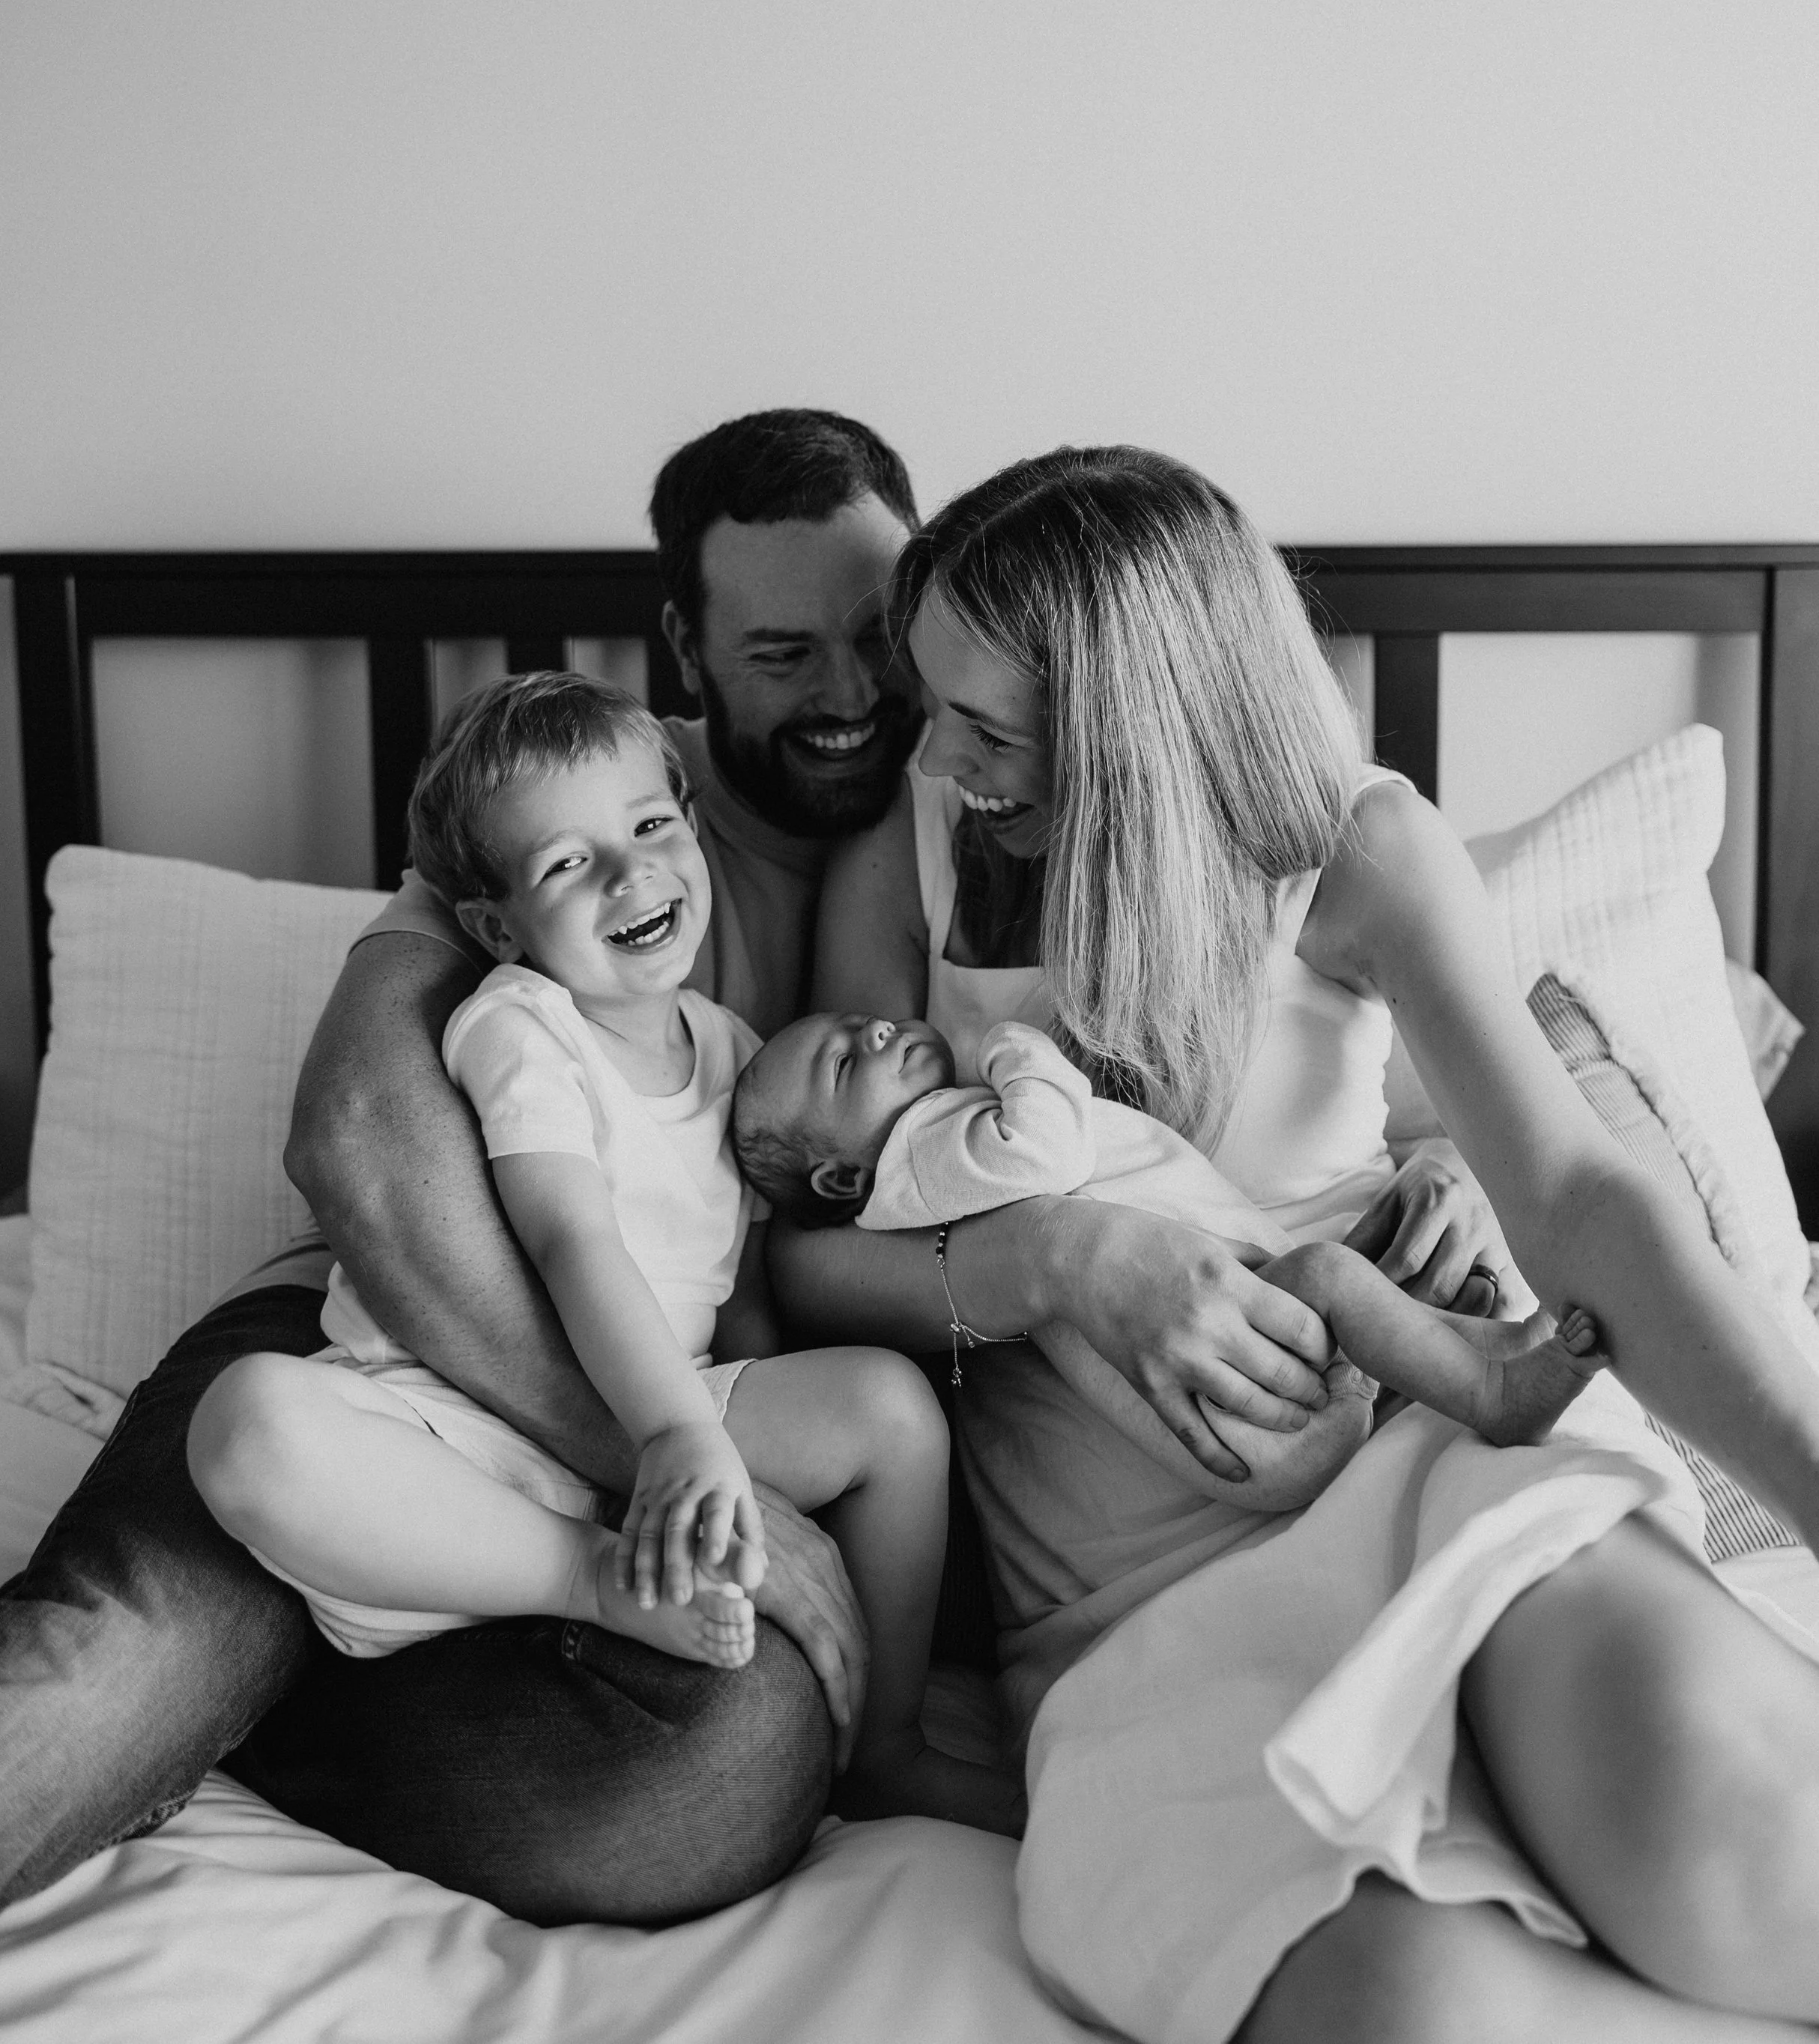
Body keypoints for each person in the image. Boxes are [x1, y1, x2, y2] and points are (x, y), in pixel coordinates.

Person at [776, 445, 1819, 2043]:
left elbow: (1586, 1205)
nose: (940, 756)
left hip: (1420, 1469)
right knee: (1408, 2009)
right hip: (1129, 1621)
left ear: (1138, 715)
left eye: (990, 722)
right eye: (937, 706)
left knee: (1709, 1805)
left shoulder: (1354, 854)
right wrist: (1057, 1258)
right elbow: (799, 1263)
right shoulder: (903, 868)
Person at [0, 407, 948, 1959]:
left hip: (633, 1434)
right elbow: (357, 1143)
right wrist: (667, 1453)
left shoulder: (993, 804)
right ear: (683, 646)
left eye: (876, 634)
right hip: (385, 1349)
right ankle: (161, 1686)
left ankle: (252, 1691)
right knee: (94, 1687)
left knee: (727, 1767)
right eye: (777, 651)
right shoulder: (556, 787)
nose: (846, 691)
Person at [190, 673, 1017, 1832]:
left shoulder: (732, 1053)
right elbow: (572, 1237)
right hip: (457, 1429)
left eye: (649, 826)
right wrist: (676, 1434)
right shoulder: (524, 1025)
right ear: (496, 926)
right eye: (568, 864)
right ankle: (585, 1578)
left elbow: (738, 1299)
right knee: (247, 1422)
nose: (633, 874)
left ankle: (885, 1741)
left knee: (887, 1410)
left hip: (648, 1428)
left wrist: (751, 1458)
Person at [732, 1009, 1604, 1495]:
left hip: (1244, 1365)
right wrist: (1012, 1048)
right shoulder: (926, 1151)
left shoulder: (927, 1163)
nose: (876, 1035)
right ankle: (1493, 1392)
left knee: (1344, 1281)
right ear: (842, 1183)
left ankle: (1478, 1359)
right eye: (847, 1066)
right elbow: (1049, 1148)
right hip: (1239, 1389)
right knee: (1335, 1279)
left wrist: (1451, 1163)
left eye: (860, 1024)